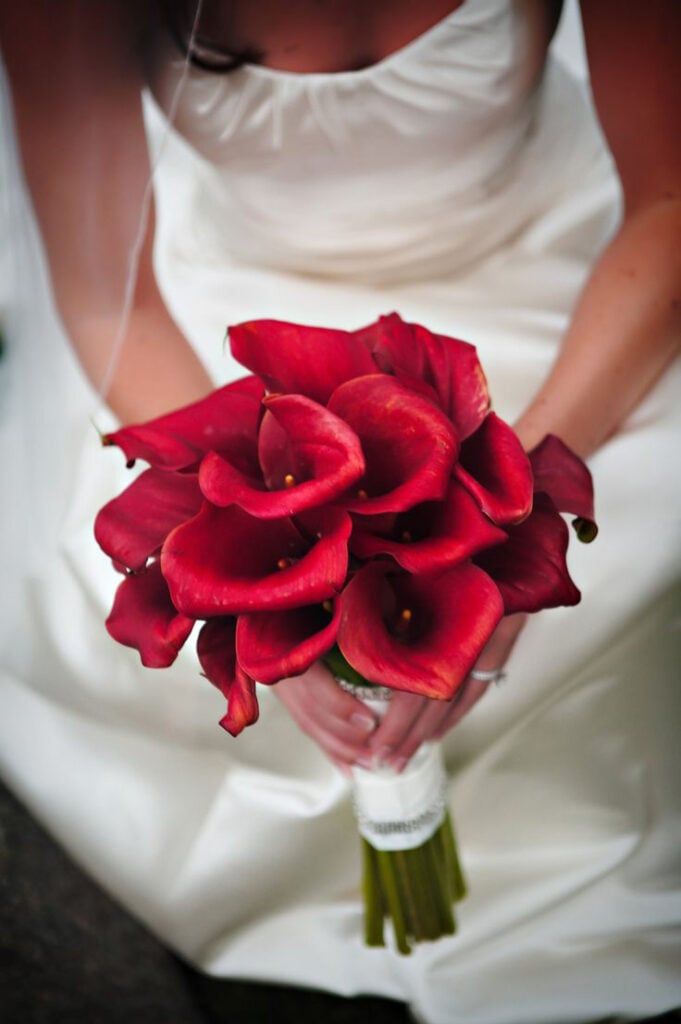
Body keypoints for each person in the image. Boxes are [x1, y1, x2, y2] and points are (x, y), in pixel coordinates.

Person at [0, 2, 679, 1022]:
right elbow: (106, 302)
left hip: (556, 293)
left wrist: (512, 516)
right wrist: (265, 594)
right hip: (230, 335)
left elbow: (673, 200)